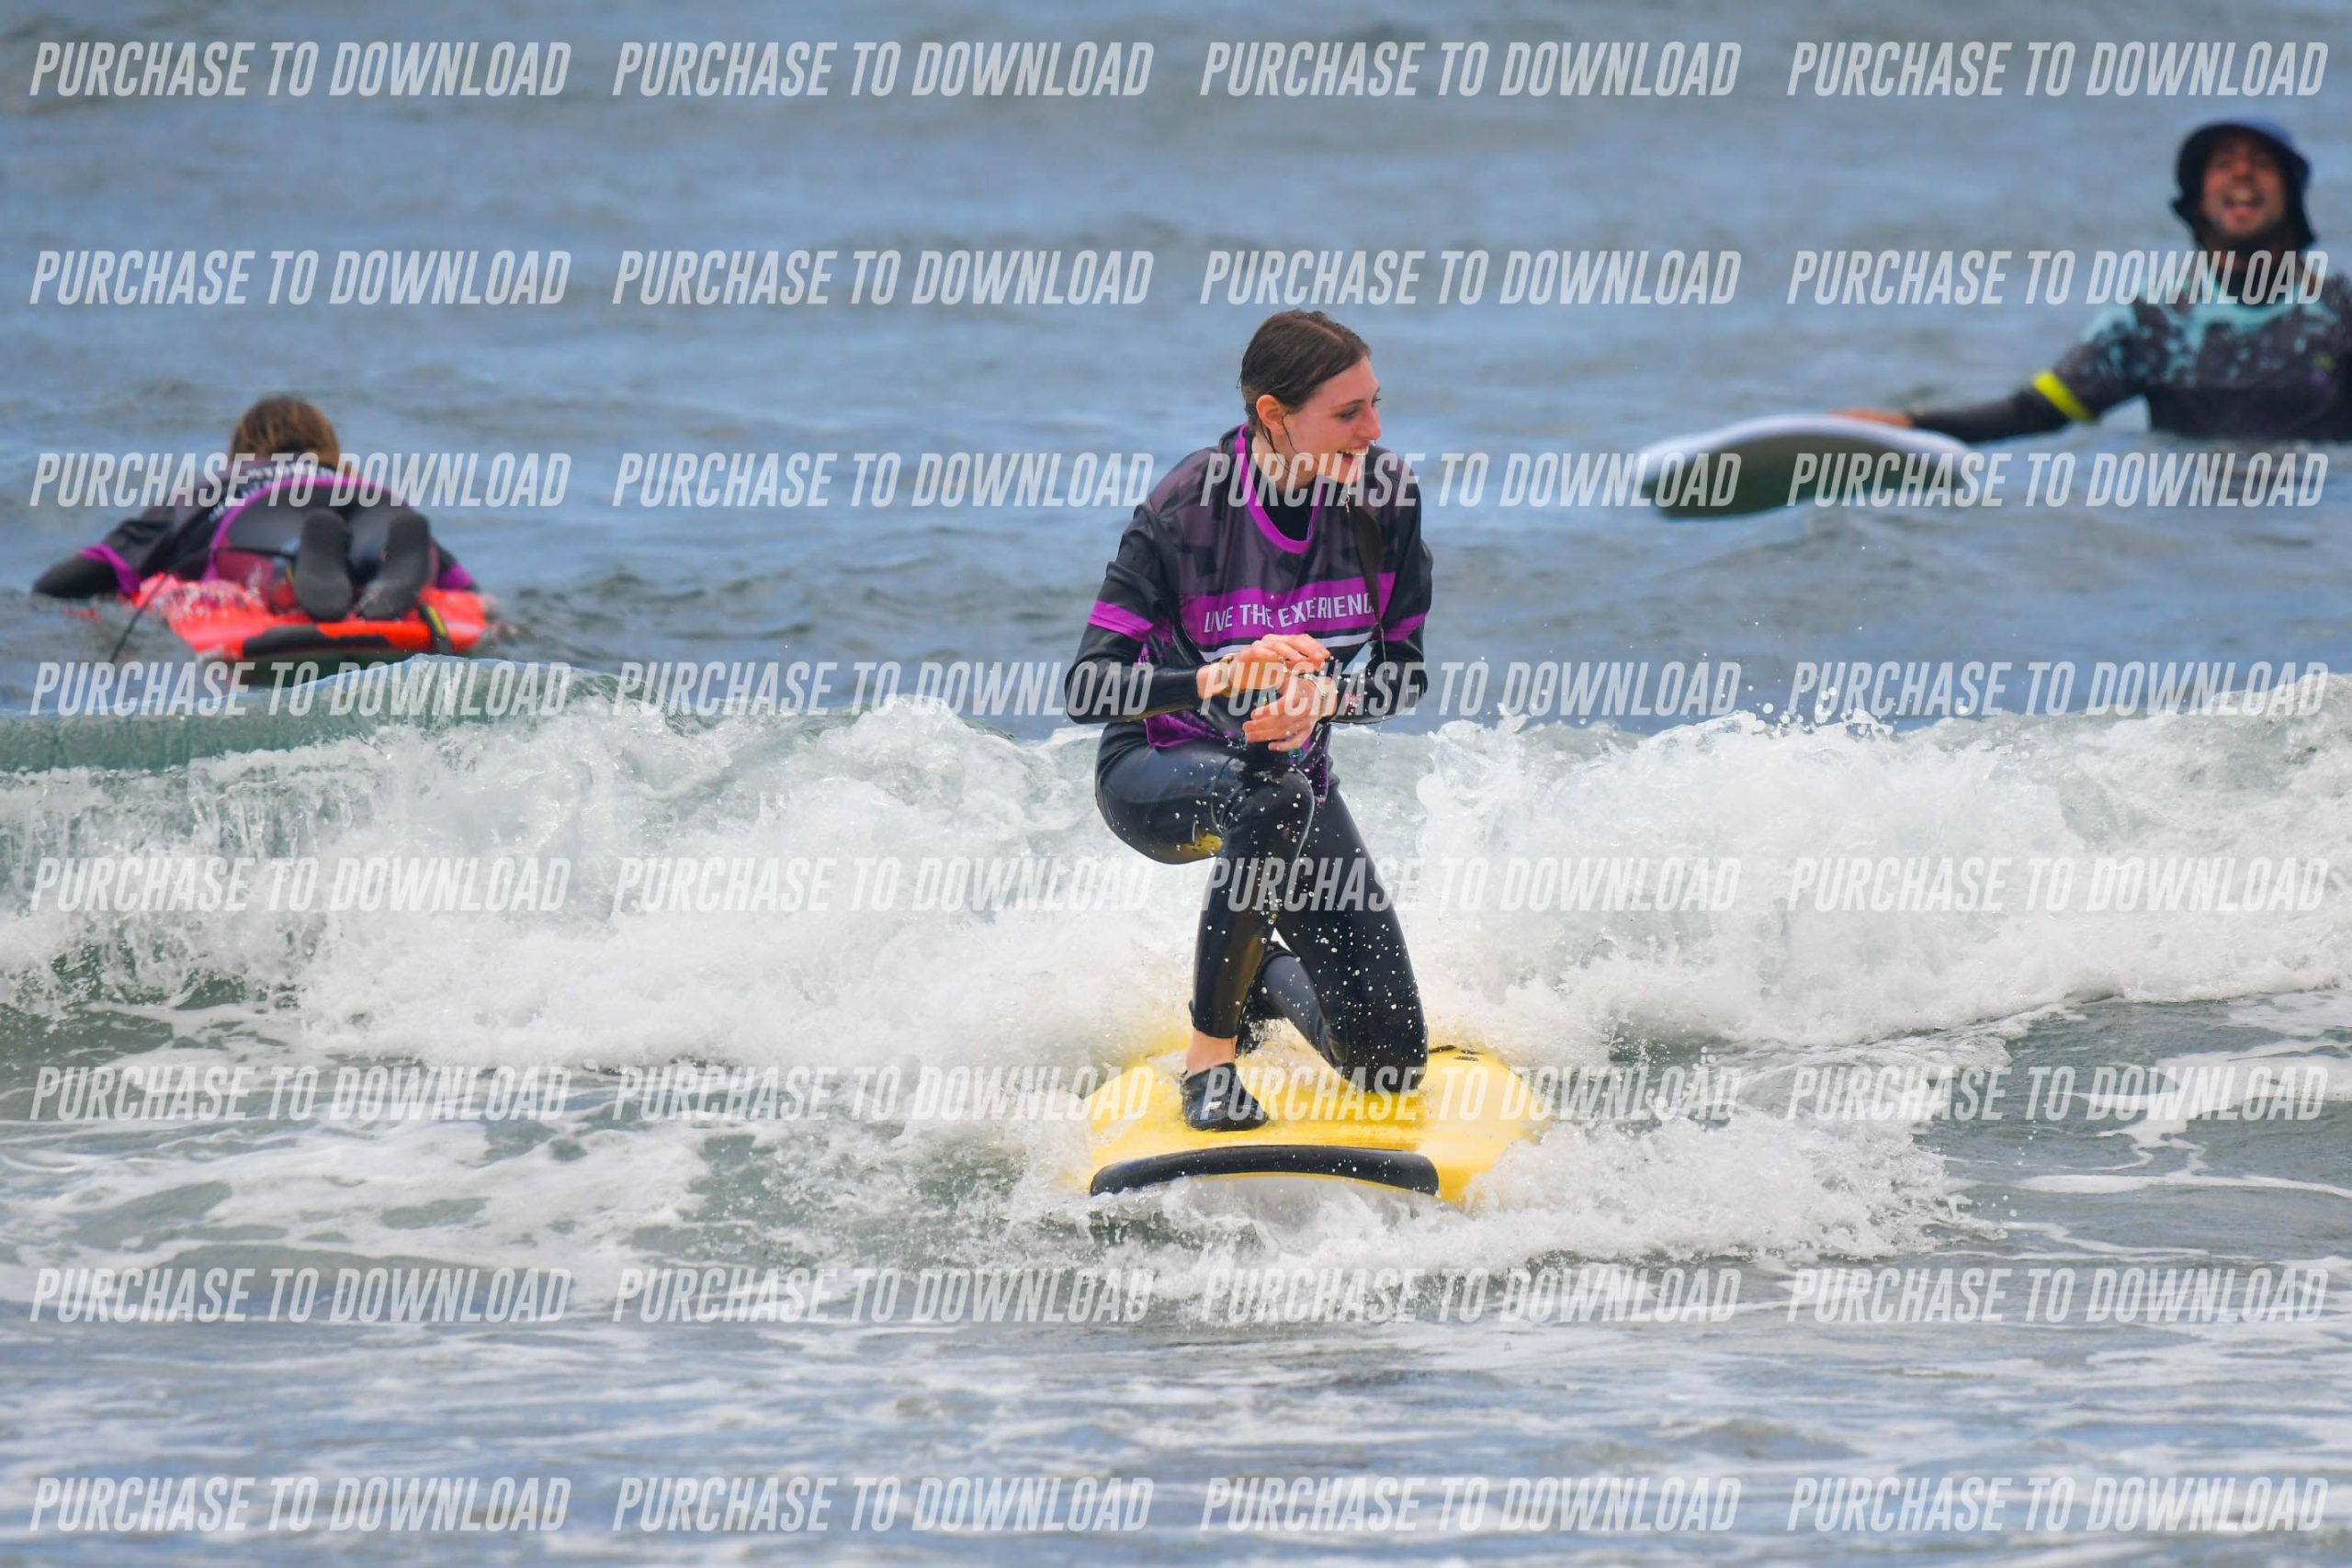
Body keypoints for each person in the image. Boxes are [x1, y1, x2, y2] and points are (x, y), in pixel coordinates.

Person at [1065, 310, 1432, 1132]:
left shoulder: (1385, 499)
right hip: (1156, 768)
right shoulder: (1189, 507)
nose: (1373, 431)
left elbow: (1404, 675)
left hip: (1291, 785)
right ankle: (1209, 1064)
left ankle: (1256, 972)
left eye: (1375, 404)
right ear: (1274, 415)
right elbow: (1090, 686)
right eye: (1348, 413)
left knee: (1390, 1063)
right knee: (1268, 797)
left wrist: (1327, 698)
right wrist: (1220, 677)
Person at [1845, 119, 2350, 443]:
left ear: (2291, 197)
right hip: (2196, 537)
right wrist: (1910, 425)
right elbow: (2035, 412)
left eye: (2261, 164)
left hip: (2311, 534)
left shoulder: (2340, 312)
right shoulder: (2154, 321)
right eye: (2223, 165)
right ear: (2197, 204)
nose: (2242, 174)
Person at [33, 397, 471, 619]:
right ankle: (387, 569)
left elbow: (72, 578)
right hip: (374, 505)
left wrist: (100, 594)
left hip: (260, 512)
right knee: (387, 541)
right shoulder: (346, 477)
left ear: (242, 449)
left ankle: (297, 563)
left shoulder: (221, 484)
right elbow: (469, 594)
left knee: (275, 555)